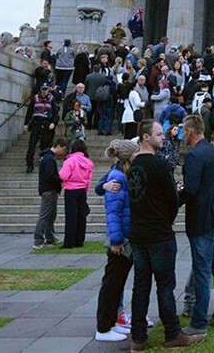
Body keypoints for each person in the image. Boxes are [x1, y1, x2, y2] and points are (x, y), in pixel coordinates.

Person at [127, 119, 197, 349]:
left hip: (139, 232)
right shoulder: (159, 165)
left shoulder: (134, 165)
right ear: (146, 137)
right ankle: (172, 333)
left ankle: (138, 337)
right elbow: (172, 200)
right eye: (158, 134)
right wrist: (175, 205)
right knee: (165, 285)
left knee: (141, 286)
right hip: (158, 233)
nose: (163, 137)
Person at [179, 115, 214, 338]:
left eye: (184, 131)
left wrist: (175, 197)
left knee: (202, 269)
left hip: (203, 218)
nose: (183, 135)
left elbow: (191, 189)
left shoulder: (195, 155)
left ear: (190, 131)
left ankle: (199, 321)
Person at [95, 139, 137, 342]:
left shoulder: (122, 175)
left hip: (124, 237)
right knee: (112, 283)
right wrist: (116, 240)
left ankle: (110, 322)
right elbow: (113, 212)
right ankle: (103, 328)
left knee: (116, 283)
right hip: (120, 241)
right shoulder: (117, 177)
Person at [33, 138, 67, 249]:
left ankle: (50, 237)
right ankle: (38, 240)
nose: (63, 152)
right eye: (63, 149)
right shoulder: (49, 159)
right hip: (49, 190)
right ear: (58, 146)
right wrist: (60, 180)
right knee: (45, 215)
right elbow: (50, 177)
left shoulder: (47, 157)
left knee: (51, 215)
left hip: (48, 190)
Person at [59, 137, 93, 248]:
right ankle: (79, 240)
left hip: (70, 190)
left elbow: (63, 176)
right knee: (81, 216)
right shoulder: (88, 162)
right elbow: (89, 178)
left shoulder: (69, 161)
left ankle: (69, 242)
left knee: (71, 217)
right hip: (82, 190)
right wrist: (85, 189)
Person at [24, 83, 59, 173]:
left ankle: (44, 162)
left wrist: (54, 123)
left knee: (45, 145)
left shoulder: (51, 99)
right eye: (43, 89)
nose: (44, 91)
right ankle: (29, 165)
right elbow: (29, 111)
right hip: (36, 123)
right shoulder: (35, 98)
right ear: (40, 89)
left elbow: (55, 113)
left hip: (47, 124)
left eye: (46, 89)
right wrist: (26, 124)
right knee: (32, 145)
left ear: (48, 90)